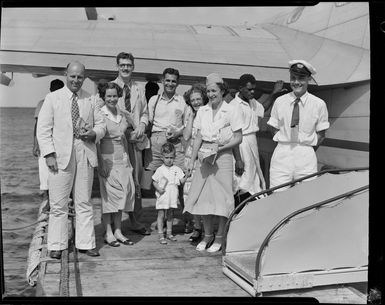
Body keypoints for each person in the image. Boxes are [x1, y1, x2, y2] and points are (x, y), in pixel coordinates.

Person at [37, 61, 106, 259]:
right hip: (60, 156)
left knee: (84, 201)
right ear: (66, 74)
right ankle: (56, 245)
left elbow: (102, 125)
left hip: (84, 152)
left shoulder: (91, 98)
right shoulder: (53, 98)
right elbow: (43, 130)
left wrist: (93, 133)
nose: (76, 80)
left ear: (84, 77)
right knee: (58, 204)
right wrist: (49, 155)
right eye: (73, 76)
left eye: (80, 77)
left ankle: (86, 243)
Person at [183, 73, 243, 253]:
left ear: (222, 91)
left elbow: (238, 138)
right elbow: (199, 137)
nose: (211, 94)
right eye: (208, 91)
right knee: (204, 199)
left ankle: (219, 237)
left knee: (222, 200)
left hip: (222, 159)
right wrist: (192, 161)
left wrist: (221, 148)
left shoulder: (232, 110)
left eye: (214, 90)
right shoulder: (202, 111)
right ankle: (207, 235)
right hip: (204, 158)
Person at [267, 59, 330, 190]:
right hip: (282, 153)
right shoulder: (280, 101)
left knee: (306, 196)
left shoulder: (319, 104)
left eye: (301, 78)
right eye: (293, 78)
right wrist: (285, 141)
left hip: (306, 155)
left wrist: (305, 148)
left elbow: (321, 135)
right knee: (277, 194)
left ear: (309, 79)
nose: (296, 82)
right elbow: (272, 127)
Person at [111, 52, 151, 235]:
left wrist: (142, 125)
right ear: (117, 66)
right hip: (117, 139)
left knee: (136, 179)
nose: (125, 68)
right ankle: (114, 225)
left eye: (128, 65)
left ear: (133, 67)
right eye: (122, 65)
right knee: (117, 179)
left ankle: (135, 221)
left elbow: (144, 112)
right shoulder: (111, 88)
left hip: (135, 138)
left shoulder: (138, 88)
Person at [147, 68, 191, 232]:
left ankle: (187, 220)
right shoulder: (154, 100)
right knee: (158, 181)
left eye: (173, 81)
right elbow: (148, 120)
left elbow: (188, 125)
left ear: (177, 83)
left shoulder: (182, 102)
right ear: (162, 81)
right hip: (157, 142)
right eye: (167, 80)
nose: (170, 83)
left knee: (180, 182)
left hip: (175, 143)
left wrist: (178, 132)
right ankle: (162, 219)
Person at [96, 82, 136, 247]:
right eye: (108, 96)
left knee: (122, 196)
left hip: (123, 160)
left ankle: (118, 231)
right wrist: (100, 163)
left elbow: (124, 138)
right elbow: (96, 142)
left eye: (114, 96)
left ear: (118, 96)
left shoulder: (122, 114)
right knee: (109, 199)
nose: (112, 99)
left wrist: (129, 162)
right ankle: (108, 232)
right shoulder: (100, 115)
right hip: (107, 160)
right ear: (103, 97)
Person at [230, 74, 266, 205]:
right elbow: (234, 135)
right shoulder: (234, 106)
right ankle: (238, 210)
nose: (252, 92)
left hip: (252, 143)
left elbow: (262, 109)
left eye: (253, 89)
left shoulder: (252, 102)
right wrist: (238, 159)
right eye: (249, 89)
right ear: (240, 88)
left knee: (253, 177)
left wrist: (273, 95)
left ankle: (251, 207)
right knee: (241, 179)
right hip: (241, 145)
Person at [182, 83, 208, 242]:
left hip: (204, 156)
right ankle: (197, 226)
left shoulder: (209, 113)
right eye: (193, 100)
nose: (196, 102)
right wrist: (191, 118)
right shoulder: (190, 114)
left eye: (198, 99)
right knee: (190, 193)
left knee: (204, 194)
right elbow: (185, 136)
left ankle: (207, 229)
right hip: (190, 156)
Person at [33, 79, 64, 206]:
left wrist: (35, 144)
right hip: (45, 142)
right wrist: (36, 144)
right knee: (45, 176)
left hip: (58, 143)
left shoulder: (65, 102)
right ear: (50, 90)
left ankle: (57, 202)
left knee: (59, 174)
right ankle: (47, 203)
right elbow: (38, 126)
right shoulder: (42, 103)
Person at [152, 142, 187, 244]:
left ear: (174, 157)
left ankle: (169, 233)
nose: (169, 160)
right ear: (162, 157)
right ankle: (160, 234)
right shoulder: (160, 169)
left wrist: (187, 175)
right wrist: (158, 188)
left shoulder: (177, 169)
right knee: (161, 214)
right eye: (166, 157)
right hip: (163, 195)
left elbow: (181, 181)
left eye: (171, 157)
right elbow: (154, 181)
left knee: (170, 214)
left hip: (172, 196)